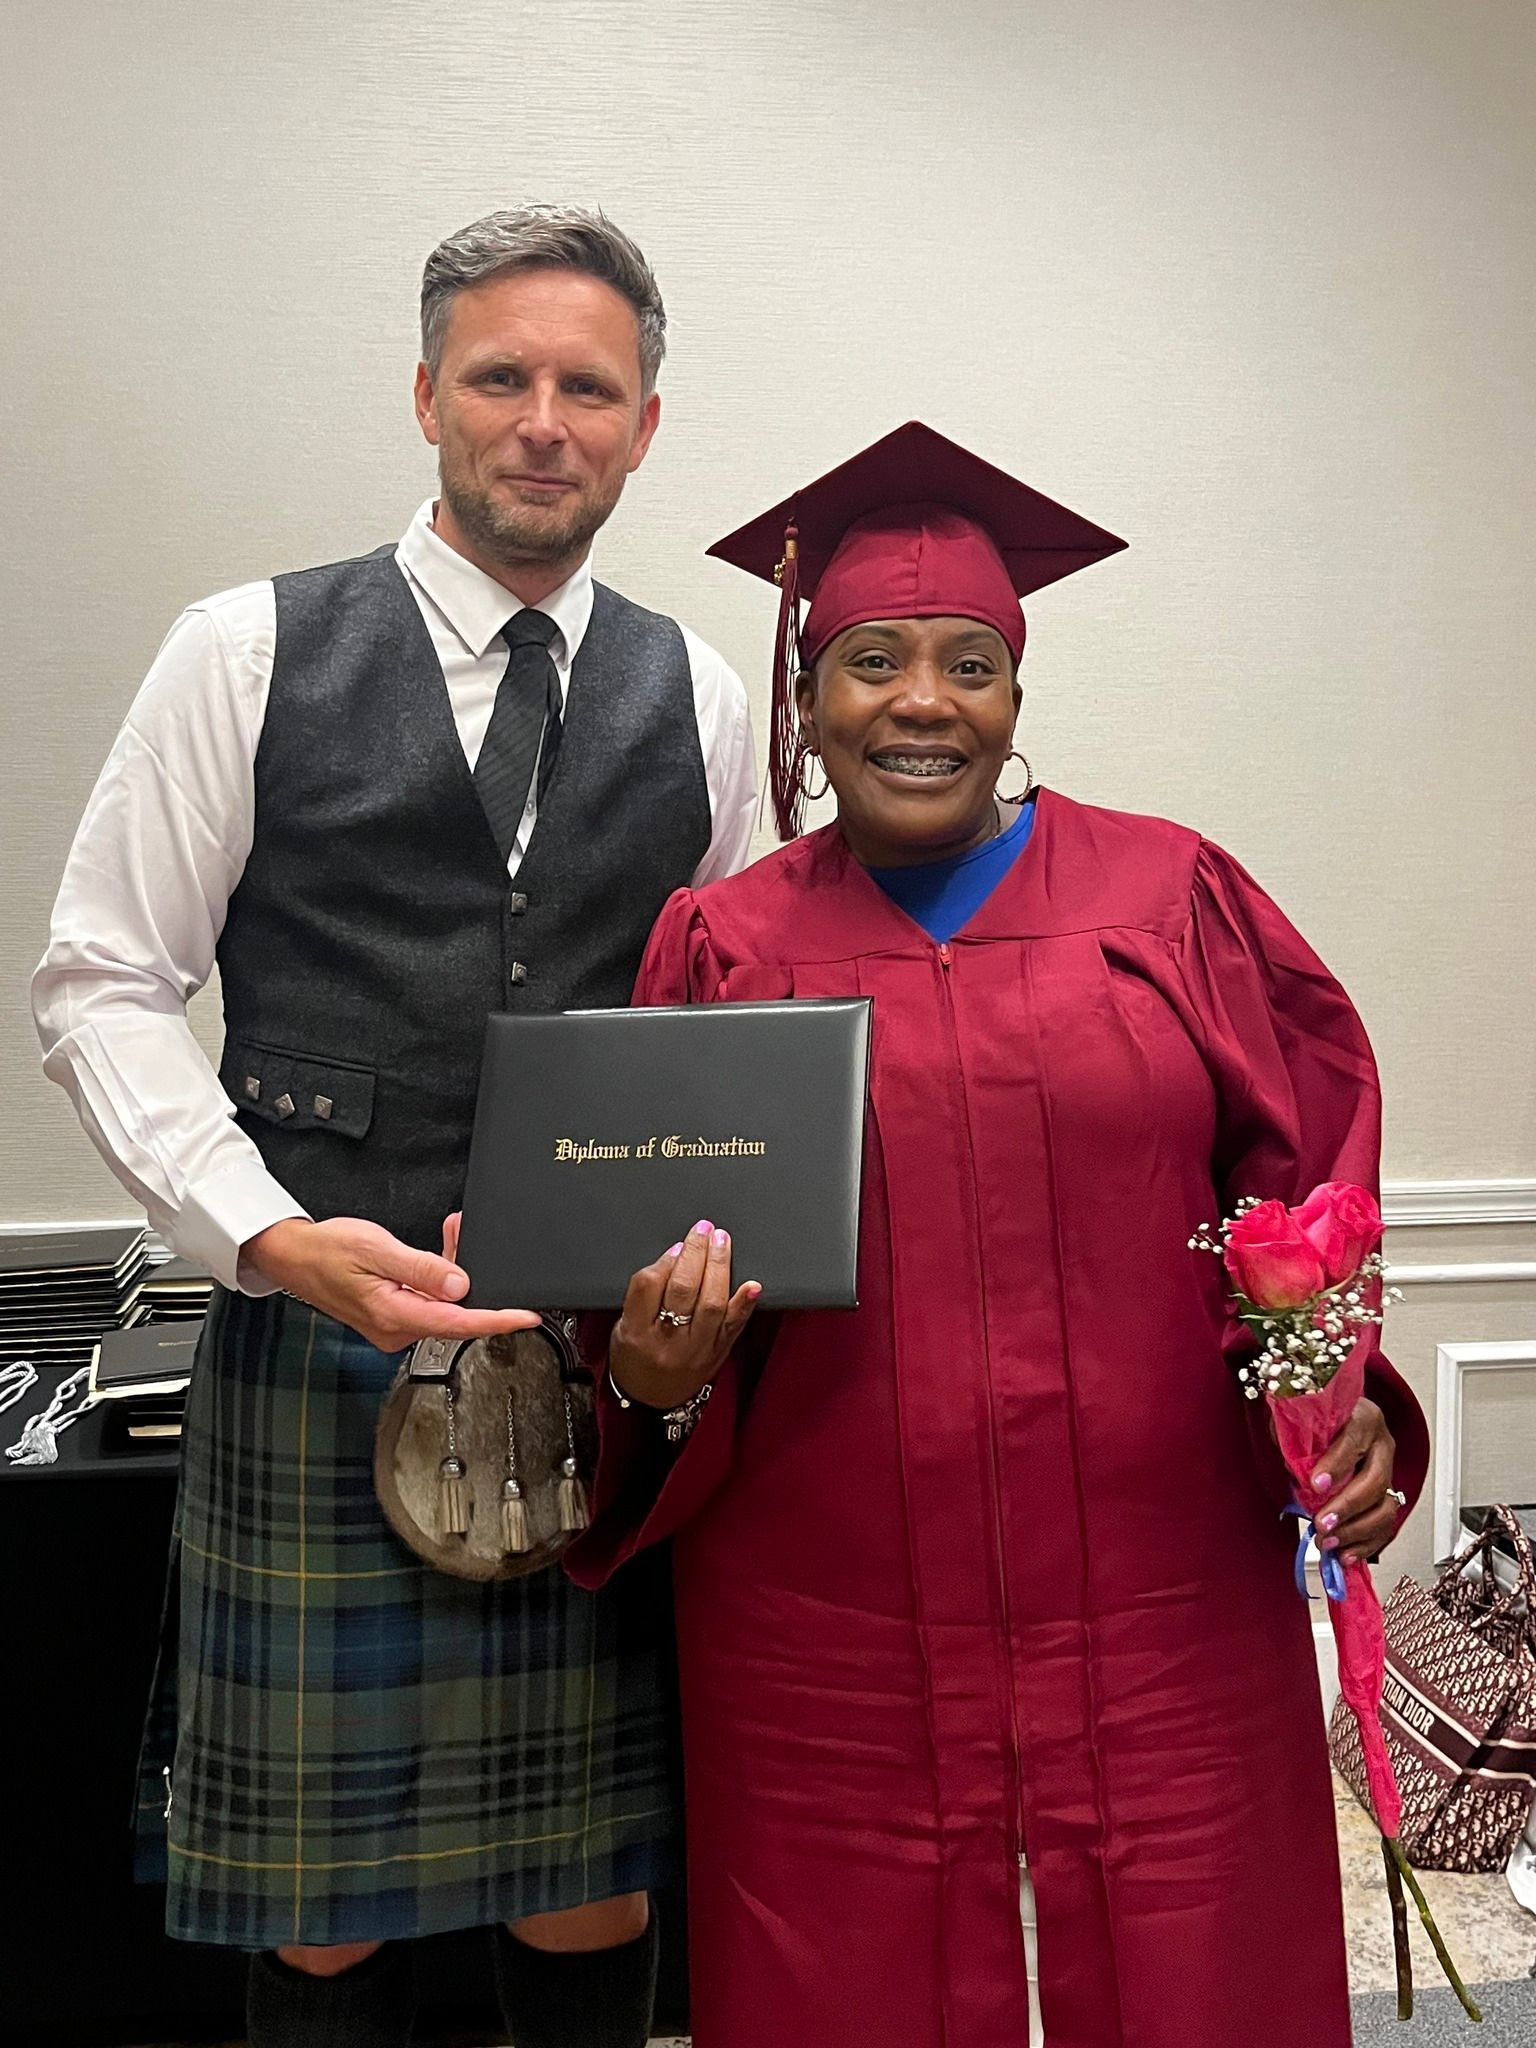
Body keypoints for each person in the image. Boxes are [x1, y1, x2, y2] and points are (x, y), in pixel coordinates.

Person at [564, 422, 1430, 2048]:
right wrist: (653, 1374)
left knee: (1197, 1981)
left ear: (1016, 698)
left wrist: (1353, 1394)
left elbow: (1312, 1194)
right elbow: (640, 1297)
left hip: (1161, 1620)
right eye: (870, 661)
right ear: (808, 707)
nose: (922, 698)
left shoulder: (1176, 905)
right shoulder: (721, 947)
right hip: (832, 1643)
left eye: (972, 660)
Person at [33, 205, 756, 2048]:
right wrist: (264, 1236)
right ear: (424, 395)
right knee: (326, 1922)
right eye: (499, 376)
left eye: (587, 386)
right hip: (314, 1342)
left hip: (595, 1368)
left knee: (599, 1891)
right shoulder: (244, 650)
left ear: (646, 426)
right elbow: (102, 982)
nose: (542, 419)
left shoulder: (711, 695)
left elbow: (735, 1034)